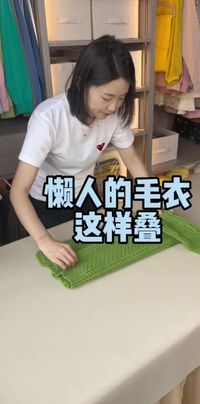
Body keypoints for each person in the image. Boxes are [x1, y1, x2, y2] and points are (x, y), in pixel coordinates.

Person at [10, 35, 149, 270]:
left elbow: (132, 160)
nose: (114, 107)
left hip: (86, 191)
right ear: (81, 82)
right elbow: (18, 191)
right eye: (107, 97)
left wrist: (152, 198)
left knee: (100, 256)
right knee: (62, 264)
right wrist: (45, 241)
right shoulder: (49, 118)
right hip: (48, 199)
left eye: (122, 98)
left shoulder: (113, 116)